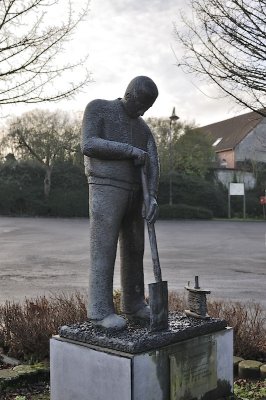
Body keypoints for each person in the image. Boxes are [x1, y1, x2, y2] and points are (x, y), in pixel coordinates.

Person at [81, 76, 160, 330]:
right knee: (104, 247)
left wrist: (152, 197)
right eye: (142, 104)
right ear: (130, 94)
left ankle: (134, 303)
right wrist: (129, 150)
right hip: (106, 186)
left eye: (148, 107)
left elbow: (153, 163)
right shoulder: (98, 108)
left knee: (135, 248)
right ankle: (100, 310)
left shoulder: (143, 128)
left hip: (138, 192)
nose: (143, 111)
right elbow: (89, 144)